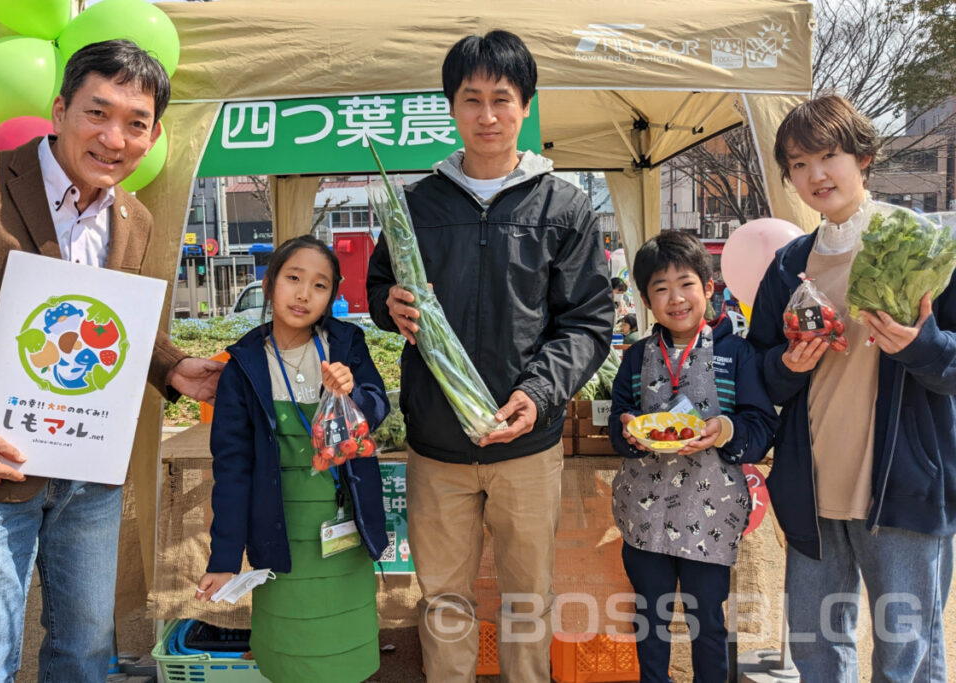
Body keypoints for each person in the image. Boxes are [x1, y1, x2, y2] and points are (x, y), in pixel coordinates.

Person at [0, 40, 224, 681]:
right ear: (60, 110)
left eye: (136, 123)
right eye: (99, 112)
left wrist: (172, 367)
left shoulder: (133, 216)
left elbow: (110, 321)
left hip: (88, 472)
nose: (113, 137)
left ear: (151, 138)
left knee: (86, 652)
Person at [366, 30, 613, 682]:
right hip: (436, 447)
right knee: (442, 600)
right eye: (471, 99)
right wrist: (386, 303)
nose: (487, 115)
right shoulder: (416, 205)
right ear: (451, 107)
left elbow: (588, 322)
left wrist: (537, 393)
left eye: (502, 99)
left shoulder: (564, 206)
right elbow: (379, 285)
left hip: (526, 447)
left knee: (528, 601)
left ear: (526, 106)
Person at [748, 94, 956, 681]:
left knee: (907, 655)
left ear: (862, 157)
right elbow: (758, 371)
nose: (815, 174)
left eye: (828, 156)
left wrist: (922, 348)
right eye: (797, 163)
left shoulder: (925, 247)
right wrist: (787, 366)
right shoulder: (790, 264)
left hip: (903, 488)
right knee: (816, 650)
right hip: (811, 489)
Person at [197, 235, 389, 682]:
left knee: (344, 651)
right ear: (269, 283)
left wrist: (351, 393)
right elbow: (232, 470)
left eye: (320, 285)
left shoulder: (346, 343)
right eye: (294, 278)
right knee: (289, 651)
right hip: (277, 534)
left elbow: (377, 409)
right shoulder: (243, 363)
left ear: (332, 297)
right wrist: (223, 559)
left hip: (345, 526)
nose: (304, 294)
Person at [608, 231, 777, 683]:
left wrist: (725, 429)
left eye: (685, 284)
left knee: (707, 621)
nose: (675, 298)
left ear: (708, 287)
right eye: (660, 288)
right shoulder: (636, 355)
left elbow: (761, 425)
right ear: (646, 299)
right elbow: (617, 422)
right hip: (645, 512)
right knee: (650, 620)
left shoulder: (736, 352)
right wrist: (629, 433)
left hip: (711, 514)